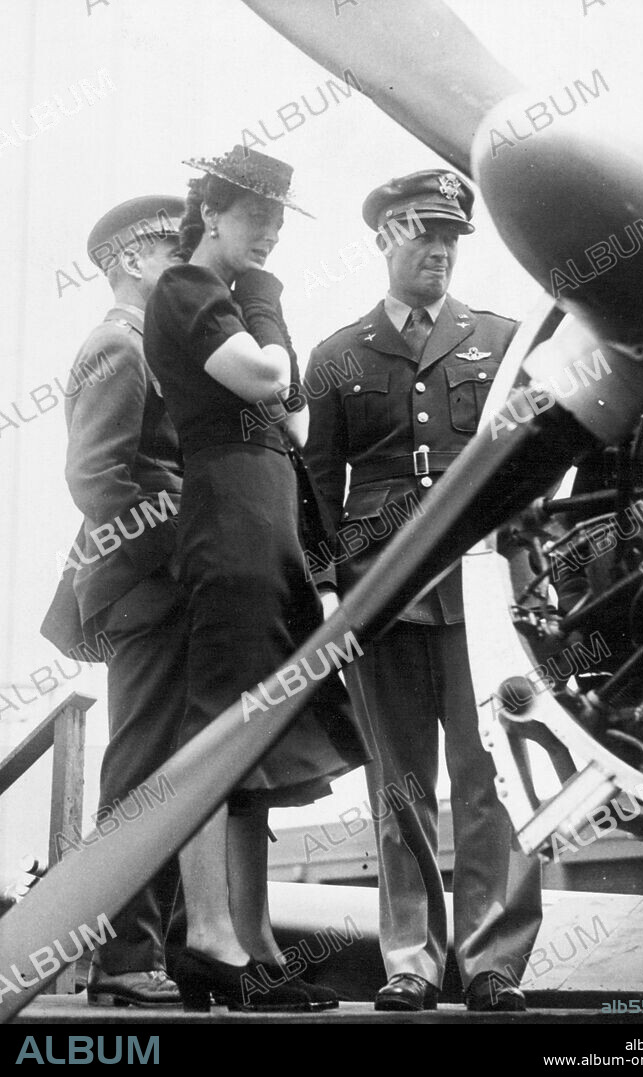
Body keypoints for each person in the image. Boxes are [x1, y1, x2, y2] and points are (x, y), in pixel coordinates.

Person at [304, 170, 543, 1012]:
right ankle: (409, 955)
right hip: (380, 587)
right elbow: (316, 483)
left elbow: (537, 463)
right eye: (420, 234)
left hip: (482, 587)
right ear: (383, 239)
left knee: (491, 773)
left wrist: (524, 571)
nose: (437, 250)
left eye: (449, 237)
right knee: (396, 780)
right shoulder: (336, 355)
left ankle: (491, 961)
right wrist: (329, 588)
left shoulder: (504, 339)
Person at [143, 145, 369, 1013]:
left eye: (277, 219)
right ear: (212, 212)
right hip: (230, 517)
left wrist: (262, 308)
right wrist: (268, 302)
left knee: (253, 741)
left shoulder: (229, 301)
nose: (269, 233)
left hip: (265, 517)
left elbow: (299, 418)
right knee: (218, 730)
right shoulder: (186, 289)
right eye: (256, 216)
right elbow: (272, 378)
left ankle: (253, 940)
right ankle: (208, 937)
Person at [41, 195, 188, 1007]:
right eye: (172, 249)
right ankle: (126, 957)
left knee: (175, 765)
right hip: (148, 585)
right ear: (131, 259)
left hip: (165, 584)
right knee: (143, 769)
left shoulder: (151, 344)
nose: (185, 262)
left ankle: (164, 948)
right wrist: (177, 550)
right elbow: (96, 477)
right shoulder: (117, 344)